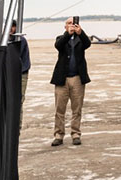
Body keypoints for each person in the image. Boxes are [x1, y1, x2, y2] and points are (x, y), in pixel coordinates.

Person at [50, 18, 91, 146]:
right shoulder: (60, 38)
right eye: (69, 23)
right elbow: (58, 45)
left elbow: (88, 44)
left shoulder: (80, 39)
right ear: (65, 26)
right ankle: (58, 134)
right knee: (59, 109)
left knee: (77, 108)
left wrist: (81, 32)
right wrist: (68, 33)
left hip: (77, 78)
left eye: (73, 23)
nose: (71, 26)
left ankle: (75, 133)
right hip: (62, 78)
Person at [11, 19, 31, 103]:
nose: (11, 29)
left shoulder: (21, 40)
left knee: (19, 98)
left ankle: (18, 116)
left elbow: (15, 55)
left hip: (21, 73)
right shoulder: (5, 39)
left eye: (13, 26)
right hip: (11, 72)